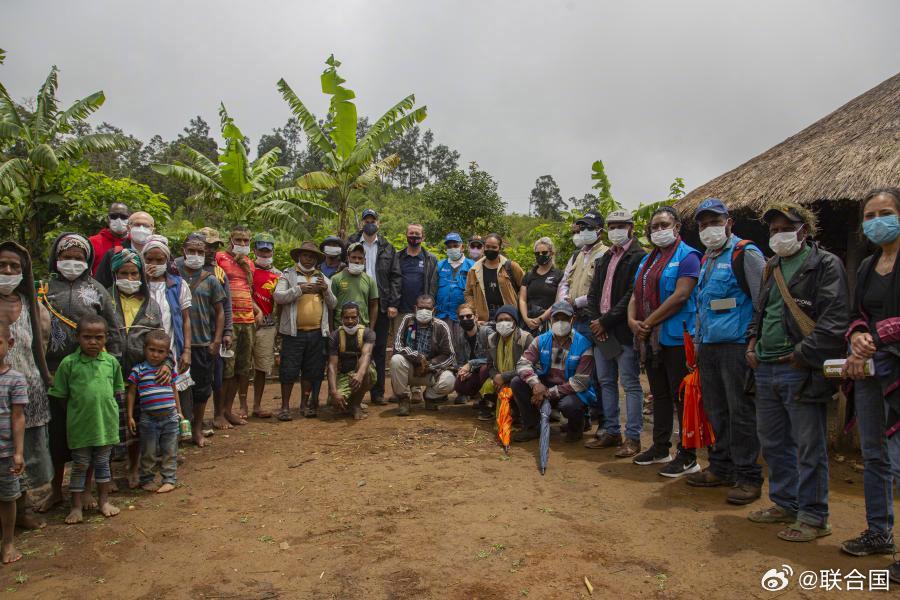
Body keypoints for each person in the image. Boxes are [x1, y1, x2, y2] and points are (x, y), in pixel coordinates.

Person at [745, 202, 848, 543]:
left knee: (808, 445)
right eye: (773, 230)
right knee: (773, 443)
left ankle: (814, 516)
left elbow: (835, 318)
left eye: (785, 228)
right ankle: (785, 503)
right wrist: (752, 344)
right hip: (766, 367)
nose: (778, 235)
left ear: (804, 229)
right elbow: (761, 311)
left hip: (798, 368)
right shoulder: (771, 266)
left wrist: (803, 355)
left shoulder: (825, 265)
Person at [686, 199, 765, 504]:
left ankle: (748, 477)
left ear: (729, 222)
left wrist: (754, 343)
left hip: (736, 347)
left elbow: (763, 301)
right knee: (716, 410)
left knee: (741, 412)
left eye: (714, 222)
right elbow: (702, 305)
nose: (709, 228)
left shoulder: (745, 253)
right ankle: (721, 467)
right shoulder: (706, 259)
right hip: (709, 347)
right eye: (703, 224)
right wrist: (697, 343)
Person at [38, 233, 122, 514]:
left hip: (92, 373)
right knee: (57, 433)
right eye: (66, 257)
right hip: (52, 373)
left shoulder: (98, 290)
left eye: (78, 258)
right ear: (56, 258)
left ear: (87, 261)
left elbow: (113, 327)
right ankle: (55, 490)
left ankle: (85, 490)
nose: (72, 262)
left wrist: (113, 363)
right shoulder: (43, 289)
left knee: (88, 434)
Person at [841, 188, 900, 568]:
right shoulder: (866, 266)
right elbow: (857, 312)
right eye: (869, 215)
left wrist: (876, 337)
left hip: (894, 367)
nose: (877, 221)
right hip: (870, 369)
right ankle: (878, 532)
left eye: (886, 213)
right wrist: (859, 335)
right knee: (875, 454)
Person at [628, 206, 702, 476]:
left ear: (677, 226)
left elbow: (681, 295)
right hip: (650, 340)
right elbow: (635, 295)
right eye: (654, 227)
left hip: (676, 337)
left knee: (681, 397)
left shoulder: (689, 256)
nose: (658, 231)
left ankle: (688, 454)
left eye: (663, 225)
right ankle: (660, 447)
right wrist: (632, 321)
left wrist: (648, 322)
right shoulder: (647, 262)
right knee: (658, 395)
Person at [48, 314, 123, 524]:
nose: (92, 342)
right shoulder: (69, 364)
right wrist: (78, 412)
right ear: (77, 337)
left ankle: (104, 502)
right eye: (87, 337)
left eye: (98, 337)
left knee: (103, 466)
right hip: (80, 428)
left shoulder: (111, 363)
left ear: (106, 338)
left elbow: (116, 392)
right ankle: (75, 506)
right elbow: (61, 397)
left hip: (106, 427)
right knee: (80, 466)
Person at [584, 210, 647, 458]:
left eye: (621, 225)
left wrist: (606, 322)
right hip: (600, 333)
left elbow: (631, 296)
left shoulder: (638, 257)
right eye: (612, 226)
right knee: (606, 382)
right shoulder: (605, 257)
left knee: (630, 384)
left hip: (621, 331)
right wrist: (594, 321)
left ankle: (633, 437)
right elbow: (592, 294)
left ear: (631, 228)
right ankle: (611, 431)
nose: (616, 230)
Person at [0, 241, 52, 530]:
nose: (8, 271)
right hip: (1, 394)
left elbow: (40, 347)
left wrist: (46, 377)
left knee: (29, 450)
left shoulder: (31, 305)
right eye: (3, 265)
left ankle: (24, 509)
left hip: (30, 387)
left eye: (14, 267)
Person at [109, 247, 162, 488]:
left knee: (138, 423)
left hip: (142, 374)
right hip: (110, 373)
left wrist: (166, 363)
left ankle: (133, 468)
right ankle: (105, 474)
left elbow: (161, 338)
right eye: (123, 273)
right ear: (114, 274)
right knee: (111, 423)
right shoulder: (105, 300)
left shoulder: (150, 305)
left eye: (134, 274)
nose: (129, 279)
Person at [511, 301, 595, 442]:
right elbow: (523, 363)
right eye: (557, 318)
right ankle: (532, 427)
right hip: (545, 385)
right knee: (517, 382)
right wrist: (535, 384)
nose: (560, 322)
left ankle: (577, 426)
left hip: (571, 390)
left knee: (569, 405)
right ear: (550, 320)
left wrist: (548, 393)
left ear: (572, 319)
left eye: (565, 318)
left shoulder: (584, 344)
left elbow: (580, 382)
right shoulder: (541, 340)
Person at [274, 241, 336, 419]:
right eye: (305, 256)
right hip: (294, 333)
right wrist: (299, 290)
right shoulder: (288, 275)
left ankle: (304, 405)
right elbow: (278, 297)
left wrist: (325, 291)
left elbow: (333, 304)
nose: (308, 260)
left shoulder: (322, 277)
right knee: (288, 370)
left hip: (317, 332)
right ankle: (285, 407)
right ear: (299, 256)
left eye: (312, 257)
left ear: (317, 259)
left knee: (312, 370)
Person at [175, 233, 226, 447]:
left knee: (202, 389)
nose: (195, 255)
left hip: (203, 343)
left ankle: (197, 429)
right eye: (191, 251)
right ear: (183, 251)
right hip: (177, 344)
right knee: (177, 389)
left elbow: (220, 312)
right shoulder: (173, 277)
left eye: (200, 252)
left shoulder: (211, 280)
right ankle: (180, 429)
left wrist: (216, 340)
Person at [346, 209, 401, 406]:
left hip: (381, 304)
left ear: (379, 223)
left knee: (378, 348)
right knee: (352, 347)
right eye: (366, 220)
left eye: (373, 220)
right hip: (355, 304)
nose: (369, 223)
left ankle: (377, 393)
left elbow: (395, 276)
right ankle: (350, 391)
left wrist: (393, 303)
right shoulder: (351, 242)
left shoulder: (387, 247)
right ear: (361, 223)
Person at [142, 236, 192, 432]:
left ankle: (175, 440)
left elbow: (186, 320)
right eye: (149, 260)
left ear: (167, 261)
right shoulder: (136, 284)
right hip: (145, 352)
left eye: (159, 260)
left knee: (174, 394)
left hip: (173, 348)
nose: (154, 264)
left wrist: (186, 350)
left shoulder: (178, 285)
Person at [127, 330, 182, 494]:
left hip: (170, 416)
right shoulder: (138, 370)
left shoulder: (167, 371)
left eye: (161, 352)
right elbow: (131, 393)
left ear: (167, 353)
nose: (156, 355)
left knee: (170, 450)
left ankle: (169, 479)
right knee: (148, 452)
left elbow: (174, 389)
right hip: (148, 419)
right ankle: (147, 479)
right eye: (152, 350)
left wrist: (179, 411)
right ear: (144, 349)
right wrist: (130, 416)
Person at [216, 225, 260, 425]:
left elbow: (247, 290)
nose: (243, 244)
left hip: (247, 321)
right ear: (230, 240)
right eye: (239, 240)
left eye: (246, 241)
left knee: (241, 369)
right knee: (226, 369)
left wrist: (256, 309)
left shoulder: (249, 264)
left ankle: (229, 409)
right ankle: (219, 412)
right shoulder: (220, 258)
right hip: (229, 321)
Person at [390, 294, 456, 416]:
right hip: (409, 368)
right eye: (421, 308)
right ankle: (403, 400)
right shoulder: (407, 320)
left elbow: (449, 355)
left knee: (450, 380)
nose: (424, 311)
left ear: (434, 310)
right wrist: (418, 357)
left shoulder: (441, 326)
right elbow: (398, 346)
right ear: (415, 308)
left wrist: (429, 365)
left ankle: (430, 397)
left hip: (431, 371)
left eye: (428, 308)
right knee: (396, 360)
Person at [196, 227, 234, 431]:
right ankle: (195, 420)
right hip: (192, 332)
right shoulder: (180, 268)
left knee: (217, 376)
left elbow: (226, 305)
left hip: (214, 333)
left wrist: (227, 331)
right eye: (206, 246)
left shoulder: (219, 273)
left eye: (214, 247)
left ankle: (219, 414)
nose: (210, 250)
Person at [0, 320, 27, 564]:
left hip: (5, 451)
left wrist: (19, 452)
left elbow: (18, 417)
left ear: (9, 344)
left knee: (8, 497)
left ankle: (8, 541)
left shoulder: (15, 379)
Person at [558, 211, 608, 340]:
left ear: (600, 231)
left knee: (590, 357)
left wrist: (576, 302)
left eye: (590, 228)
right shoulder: (577, 255)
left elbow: (603, 290)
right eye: (582, 228)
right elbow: (564, 282)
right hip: (573, 317)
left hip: (592, 319)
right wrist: (565, 301)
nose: (585, 231)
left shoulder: (606, 254)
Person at [248, 233, 280, 419]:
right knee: (243, 367)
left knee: (261, 368)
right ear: (255, 251)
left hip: (267, 325)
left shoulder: (278, 275)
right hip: (246, 321)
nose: (265, 254)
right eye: (261, 251)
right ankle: (242, 405)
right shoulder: (248, 270)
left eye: (268, 251)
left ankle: (257, 405)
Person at [327, 302, 376, 420]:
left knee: (366, 370)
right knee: (335, 403)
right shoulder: (334, 336)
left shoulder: (368, 333)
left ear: (358, 317)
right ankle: (347, 400)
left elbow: (366, 354)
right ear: (341, 318)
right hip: (344, 374)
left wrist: (359, 374)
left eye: (353, 317)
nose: (350, 321)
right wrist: (334, 392)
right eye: (346, 318)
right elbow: (332, 366)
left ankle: (356, 405)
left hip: (362, 372)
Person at [465, 233, 524, 324]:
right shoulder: (474, 270)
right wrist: (474, 309)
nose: (490, 250)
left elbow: (524, 288)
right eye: (487, 246)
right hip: (484, 317)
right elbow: (468, 293)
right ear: (483, 247)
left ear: (499, 248)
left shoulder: (511, 266)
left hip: (508, 315)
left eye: (494, 247)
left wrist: (518, 307)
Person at [93, 211, 156, 289]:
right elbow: (100, 286)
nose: (141, 229)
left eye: (146, 225)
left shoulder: (162, 254)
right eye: (137, 225)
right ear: (128, 228)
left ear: (153, 230)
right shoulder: (114, 254)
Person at [452, 303, 493, 418]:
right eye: (461, 317)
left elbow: (493, 359)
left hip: (488, 371)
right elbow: (460, 361)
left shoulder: (486, 332)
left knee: (484, 370)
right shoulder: (460, 337)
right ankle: (476, 395)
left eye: (469, 316)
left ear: (476, 316)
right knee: (459, 385)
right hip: (473, 372)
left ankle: (488, 402)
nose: (465, 319)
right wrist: (463, 371)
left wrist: (470, 364)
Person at [519, 237, 563, 335]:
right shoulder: (529, 275)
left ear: (551, 253)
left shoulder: (559, 275)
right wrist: (526, 319)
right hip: (528, 322)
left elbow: (558, 301)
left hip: (550, 321)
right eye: (537, 253)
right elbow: (522, 299)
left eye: (544, 253)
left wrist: (541, 319)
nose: (540, 255)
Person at [88, 202, 130, 274]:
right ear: (108, 219)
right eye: (114, 216)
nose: (119, 220)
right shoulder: (92, 242)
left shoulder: (134, 242)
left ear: (130, 219)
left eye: (123, 217)